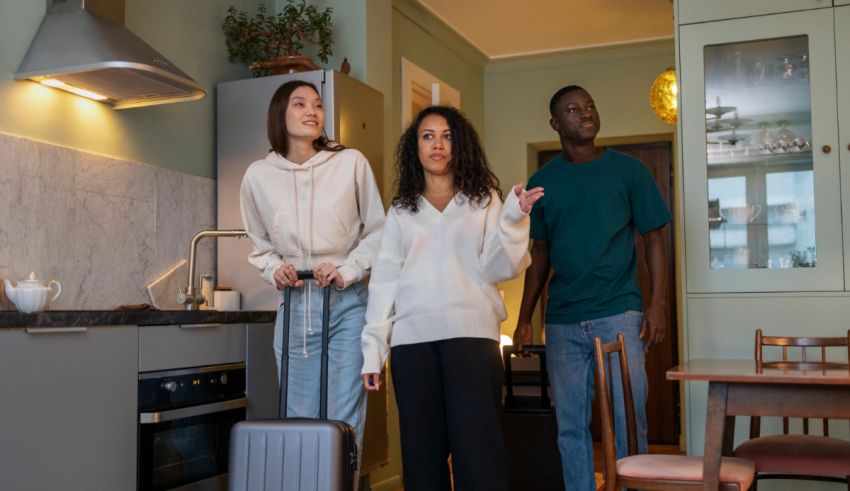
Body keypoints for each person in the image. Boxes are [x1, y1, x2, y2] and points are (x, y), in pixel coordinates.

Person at [361, 105, 544, 491]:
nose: (438, 145)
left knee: (479, 452)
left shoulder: (484, 200)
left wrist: (513, 218)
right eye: (428, 136)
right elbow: (383, 283)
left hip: (473, 339)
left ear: (460, 145)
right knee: (421, 456)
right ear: (415, 148)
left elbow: (501, 266)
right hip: (412, 344)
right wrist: (373, 350)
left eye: (447, 136)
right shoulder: (400, 212)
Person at [513, 85, 671, 491]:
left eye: (589, 107)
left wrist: (657, 306)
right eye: (573, 109)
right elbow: (540, 254)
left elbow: (654, 237)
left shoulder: (629, 171)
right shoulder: (543, 182)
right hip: (563, 321)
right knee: (570, 425)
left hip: (619, 312)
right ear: (555, 124)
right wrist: (524, 318)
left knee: (627, 419)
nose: (585, 114)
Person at [239, 80, 385, 483]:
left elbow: (378, 232)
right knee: (299, 420)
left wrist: (346, 270)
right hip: (297, 307)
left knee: (343, 418)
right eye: (300, 104)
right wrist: (274, 269)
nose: (312, 111)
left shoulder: (350, 163)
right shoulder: (257, 176)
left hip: (347, 304)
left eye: (318, 105)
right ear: (279, 115)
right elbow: (260, 245)